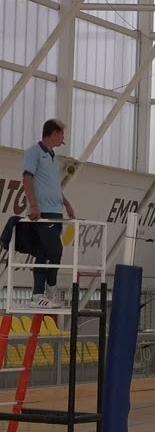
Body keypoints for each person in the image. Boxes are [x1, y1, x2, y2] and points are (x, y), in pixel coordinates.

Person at [21, 119, 76, 310]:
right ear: (53, 133)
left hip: (56, 211)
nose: (63, 138)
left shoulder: (52, 156)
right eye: (61, 134)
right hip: (42, 212)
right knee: (54, 250)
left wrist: (66, 203)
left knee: (46, 252)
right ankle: (45, 289)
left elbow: (53, 185)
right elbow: (27, 178)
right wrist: (34, 206)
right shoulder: (33, 152)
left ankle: (41, 293)